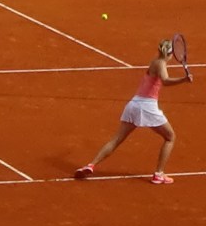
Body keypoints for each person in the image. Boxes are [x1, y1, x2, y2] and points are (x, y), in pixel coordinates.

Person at [74, 39, 192, 184]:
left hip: (133, 104)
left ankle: (91, 165)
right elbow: (165, 81)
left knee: (116, 140)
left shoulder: (155, 61)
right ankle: (158, 174)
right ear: (170, 54)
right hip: (147, 107)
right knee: (170, 137)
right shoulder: (161, 63)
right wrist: (184, 80)